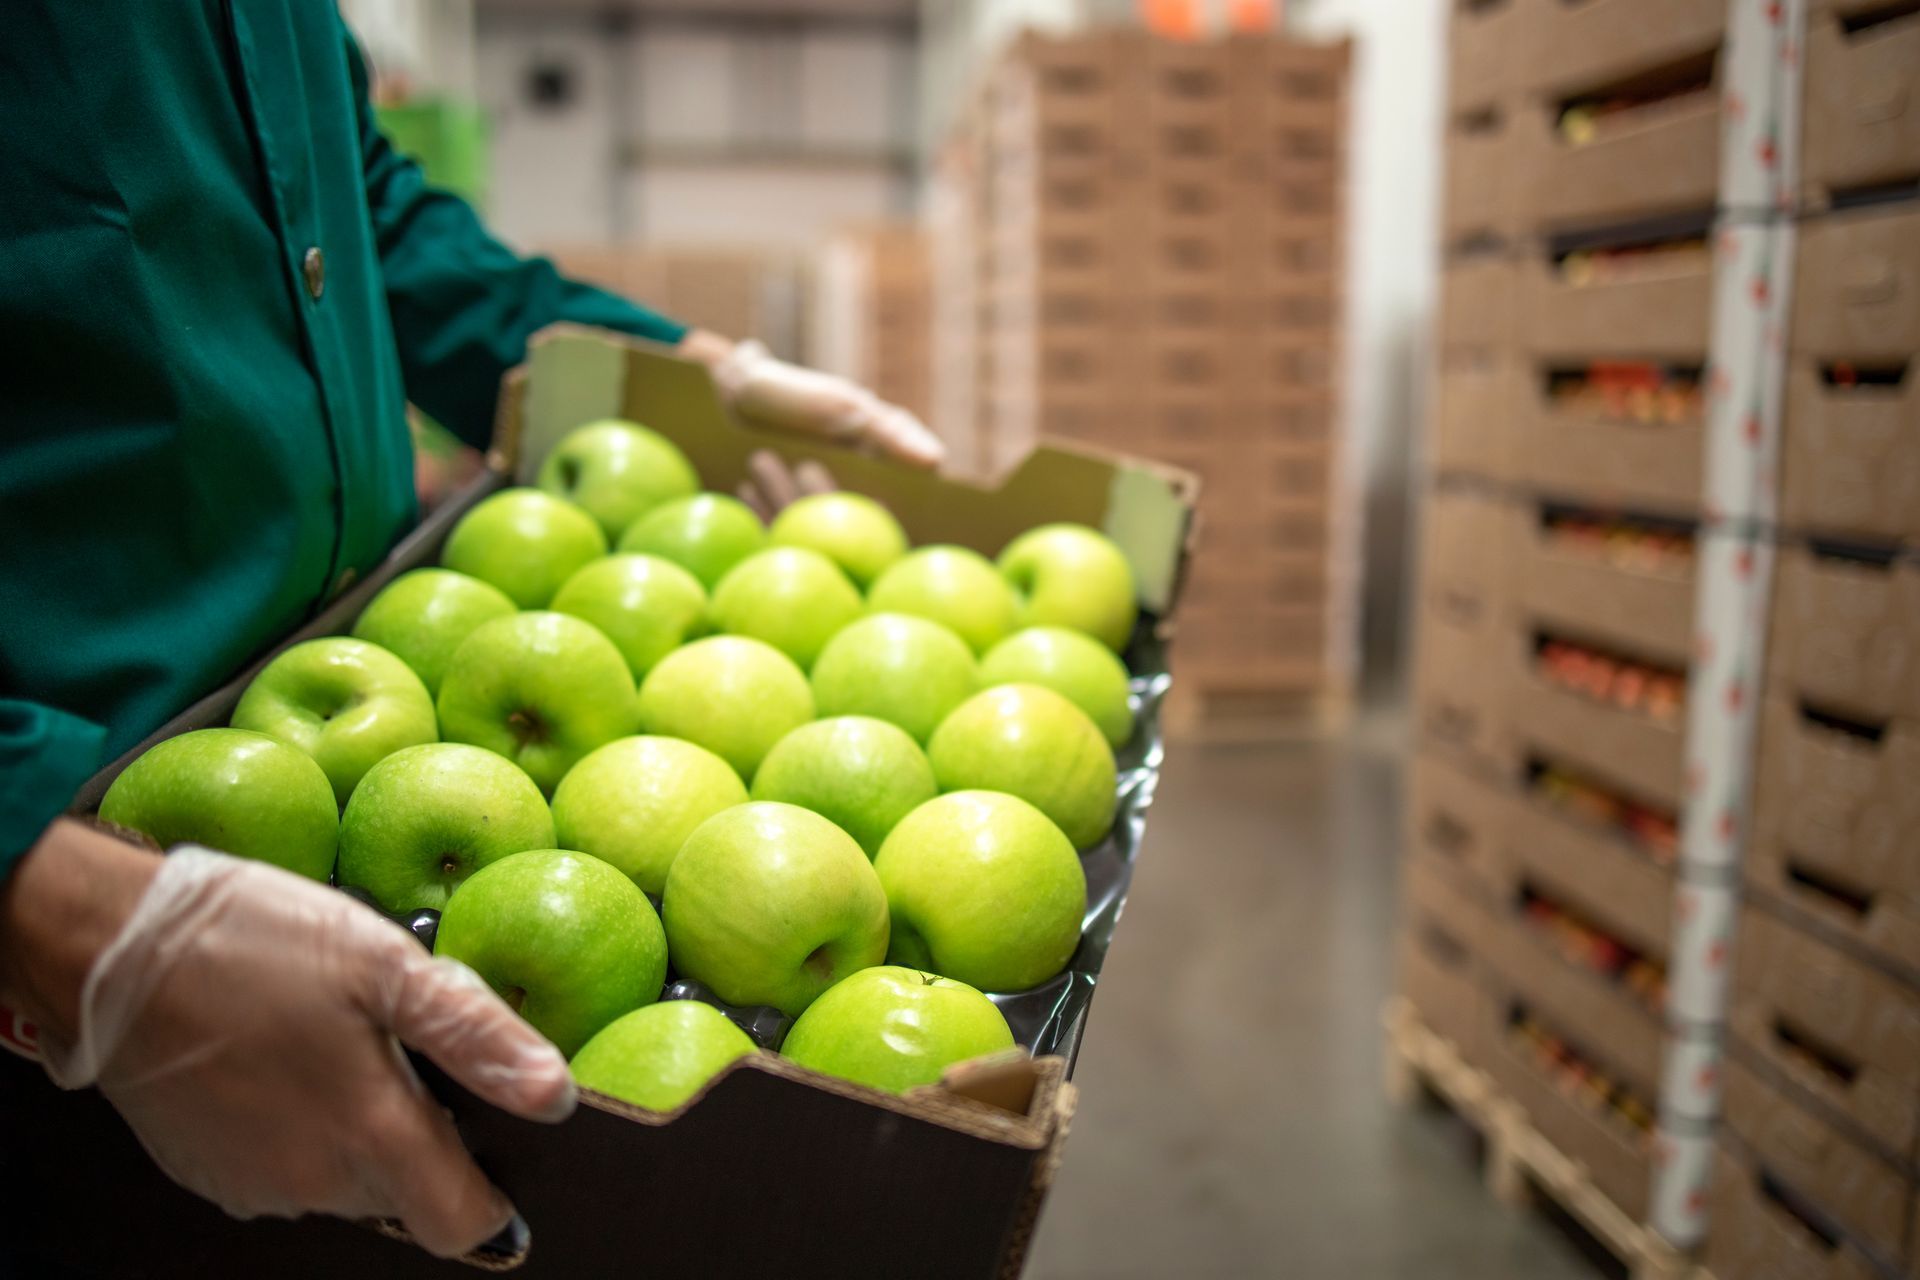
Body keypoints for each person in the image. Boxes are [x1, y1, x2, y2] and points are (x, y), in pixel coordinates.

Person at [0, 4, 938, 1263]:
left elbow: (350, 210)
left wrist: (685, 366)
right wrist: (48, 900)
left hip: (370, 679)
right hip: (73, 865)